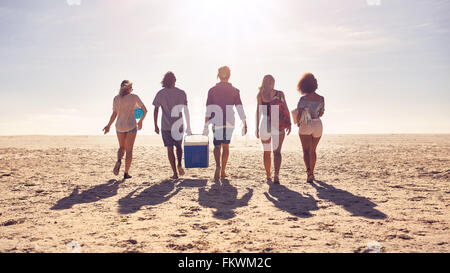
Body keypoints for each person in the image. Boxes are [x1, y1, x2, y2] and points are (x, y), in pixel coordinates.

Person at [203, 66, 247, 181]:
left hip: (216, 121)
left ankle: (218, 165)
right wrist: (244, 122)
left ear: (218, 75)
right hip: (229, 122)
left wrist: (205, 125)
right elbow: (239, 107)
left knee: (217, 146)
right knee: (226, 146)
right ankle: (223, 171)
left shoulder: (212, 90)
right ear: (229, 75)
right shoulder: (235, 90)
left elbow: (208, 109)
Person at [103, 80, 147, 179]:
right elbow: (145, 110)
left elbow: (114, 114)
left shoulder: (116, 98)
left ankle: (119, 160)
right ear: (129, 88)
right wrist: (140, 121)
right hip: (131, 126)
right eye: (132, 88)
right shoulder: (134, 97)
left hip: (119, 126)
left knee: (121, 147)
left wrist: (108, 125)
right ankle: (126, 173)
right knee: (129, 150)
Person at [153, 71, 192, 179]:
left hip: (165, 125)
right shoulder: (181, 93)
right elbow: (186, 110)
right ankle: (179, 164)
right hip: (178, 125)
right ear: (174, 80)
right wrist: (188, 125)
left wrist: (155, 125)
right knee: (178, 147)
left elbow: (156, 109)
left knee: (169, 149)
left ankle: (175, 173)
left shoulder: (160, 93)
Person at [256, 75, 291, 184]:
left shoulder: (260, 95)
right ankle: (276, 175)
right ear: (273, 82)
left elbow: (258, 111)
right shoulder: (280, 94)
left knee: (266, 152)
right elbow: (286, 108)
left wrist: (257, 127)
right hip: (278, 122)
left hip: (264, 123)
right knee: (277, 152)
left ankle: (268, 176)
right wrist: (289, 123)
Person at [295, 73, 325, 183]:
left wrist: (298, 123)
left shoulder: (303, 99)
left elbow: (299, 114)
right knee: (313, 150)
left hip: (306, 124)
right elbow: (321, 113)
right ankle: (312, 171)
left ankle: (309, 173)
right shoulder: (321, 98)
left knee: (306, 151)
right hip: (318, 124)